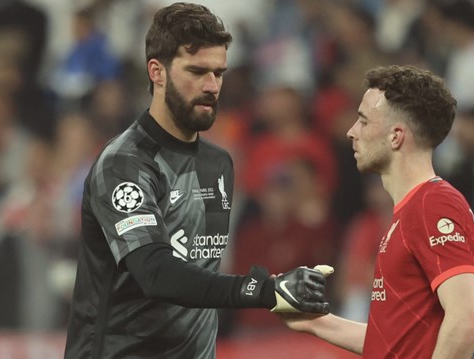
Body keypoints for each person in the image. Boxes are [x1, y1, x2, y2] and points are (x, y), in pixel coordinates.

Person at [64, 3, 331, 359]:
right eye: (197, 71)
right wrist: (263, 290)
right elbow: (155, 273)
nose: (211, 86)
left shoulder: (219, 164)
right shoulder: (125, 164)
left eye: (219, 73)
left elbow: (200, 274)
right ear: (156, 72)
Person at [281, 65, 474, 358]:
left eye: (363, 121)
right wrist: (315, 323)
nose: (352, 132)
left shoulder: (433, 204)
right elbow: (393, 341)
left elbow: (467, 321)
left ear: (396, 136)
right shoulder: (411, 209)